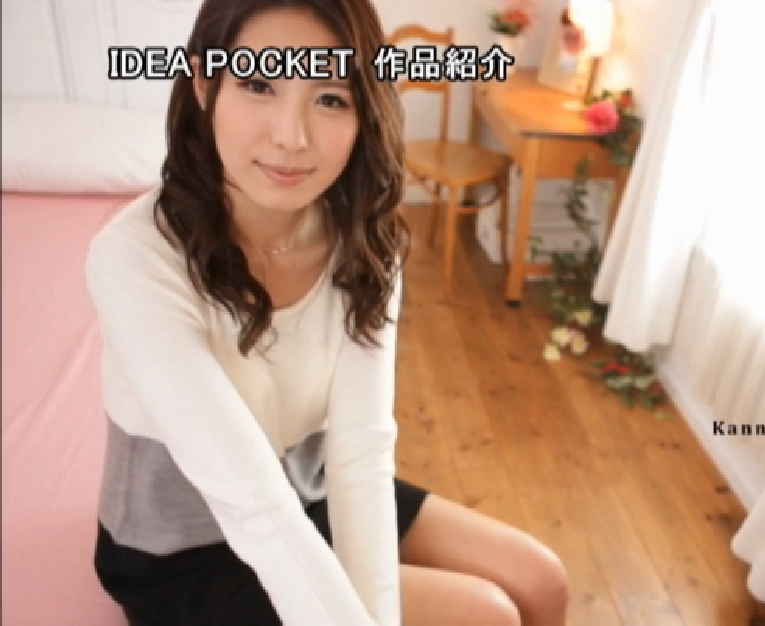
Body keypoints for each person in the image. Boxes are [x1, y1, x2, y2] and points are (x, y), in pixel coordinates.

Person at [85, 1, 569, 624]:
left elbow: (361, 452)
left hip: (306, 487)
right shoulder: (134, 260)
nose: (292, 136)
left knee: (541, 579)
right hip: (184, 549)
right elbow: (251, 499)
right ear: (205, 84)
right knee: (486, 615)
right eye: (259, 85)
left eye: (331, 98)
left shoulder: (362, 242)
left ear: (364, 110)